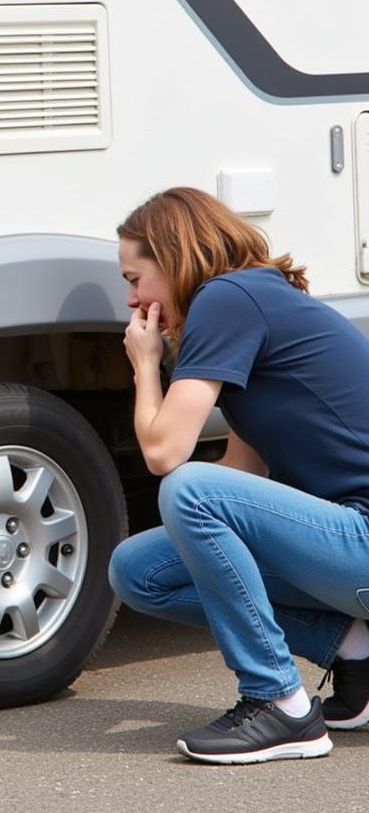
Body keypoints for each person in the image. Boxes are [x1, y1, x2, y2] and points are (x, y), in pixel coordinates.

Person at [108, 186, 369, 765]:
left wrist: (146, 366)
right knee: (137, 571)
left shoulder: (226, 299)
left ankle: (279, 702)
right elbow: (239, 473)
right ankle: (357, 654)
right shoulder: (250, 300)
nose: (131, 300)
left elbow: (165, 454)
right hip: (353, 545)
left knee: (186, 487)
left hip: (365, 541)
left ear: (174, 258)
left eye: (134, 278)